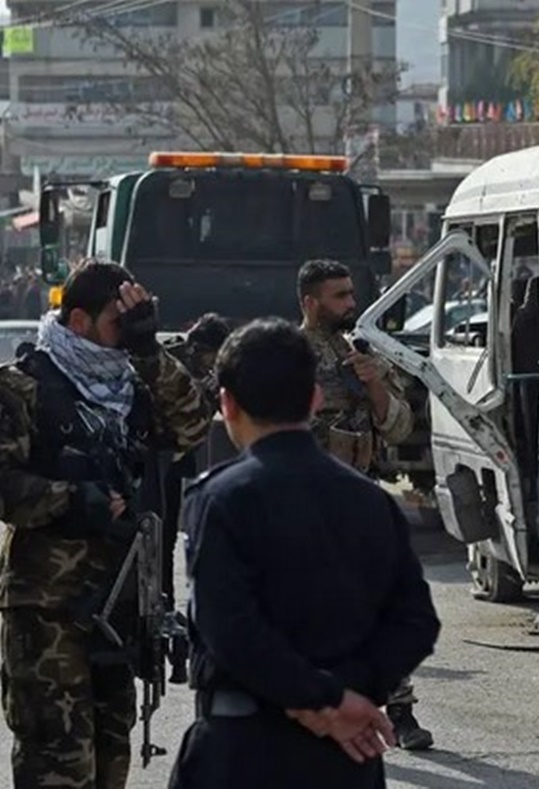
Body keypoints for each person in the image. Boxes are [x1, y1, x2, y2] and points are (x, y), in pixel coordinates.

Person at [167, 318, 441, 789]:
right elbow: (415, 621)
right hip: (343, 755)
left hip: (241, 753)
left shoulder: (221, 499)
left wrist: (321, 699)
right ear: (315, 398)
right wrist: (349, 695)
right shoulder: (370, 501)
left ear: (227, 403)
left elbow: (230, 630)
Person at [0, 260, 212, 789]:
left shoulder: (133, 385)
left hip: (119, 605)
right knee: (58, 760)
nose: (128, 334)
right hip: (48, 607)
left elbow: (192, 424)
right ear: (79, 321)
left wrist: (148, 348)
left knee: (111, 759)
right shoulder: (23, 387)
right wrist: (71, 500)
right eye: (121, 322)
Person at [296, 258, 435, 750]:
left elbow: (398, 426)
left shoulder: (363, 351)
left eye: (351, 294)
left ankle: (400, 711)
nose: (351, 304)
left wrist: (374, 382)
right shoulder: (289, 356)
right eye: (339, 296)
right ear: (310, 302)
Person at [159, 313, 232, 608]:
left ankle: (166, 602)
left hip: (178, 460)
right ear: (197, 348)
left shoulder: (213, 373)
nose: (214, 363)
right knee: (157, 534)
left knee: (168, 537)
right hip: (155, 458)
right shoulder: (168, 361)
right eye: (212, 356)